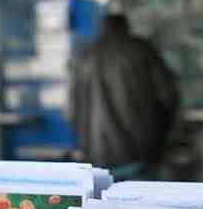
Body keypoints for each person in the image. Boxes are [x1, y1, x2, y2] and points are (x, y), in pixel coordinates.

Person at [70, 14, 180, 179]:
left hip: (96, 155)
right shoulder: (142, 50)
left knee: (101, 203)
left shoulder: (85, 56)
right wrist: (162, 137)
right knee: (142, 201)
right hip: (140, 152)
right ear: (126, 27)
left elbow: (71, 109)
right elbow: (169, 95)